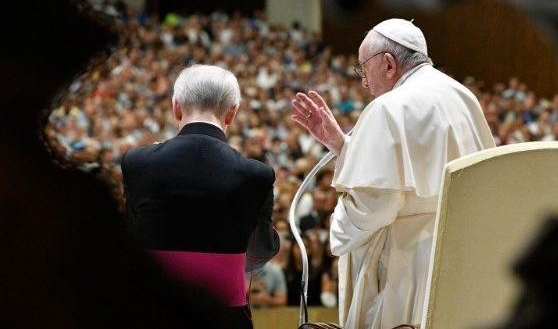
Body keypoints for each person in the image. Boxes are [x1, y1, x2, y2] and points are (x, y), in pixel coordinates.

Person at [291, 19, 495, 328]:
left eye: (363, 69)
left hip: (405, 265)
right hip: (459, 259)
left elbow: (375, 206)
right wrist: (340, 144)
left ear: (388, 64)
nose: (364, 82)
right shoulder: (464, 97)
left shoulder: (387, 107)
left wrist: (338, 225)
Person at [122, 64, 279, 328]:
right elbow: (261, 250)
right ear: (232, 113)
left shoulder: (136, 163)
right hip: (225, 319)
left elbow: (131, 237)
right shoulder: (257, 175)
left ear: (176, 107)